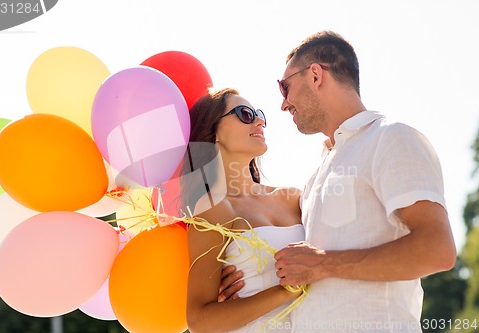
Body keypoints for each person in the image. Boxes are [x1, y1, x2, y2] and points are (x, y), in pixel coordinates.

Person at [219, 31, 457, 332]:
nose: (283, 105)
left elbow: (437, 250)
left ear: (316, 75)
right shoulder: (316, 175)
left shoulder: (390, 138)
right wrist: (245, 276)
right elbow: (302, 266)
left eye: (285, 87)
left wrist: (322, 263)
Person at [182, 88, 305, 333]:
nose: (260, 121)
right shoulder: (213, 208)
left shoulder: (294, 197)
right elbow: (198, 320)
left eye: (259, 114)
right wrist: (285, 291)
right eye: (245, 114)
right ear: (215, 132)